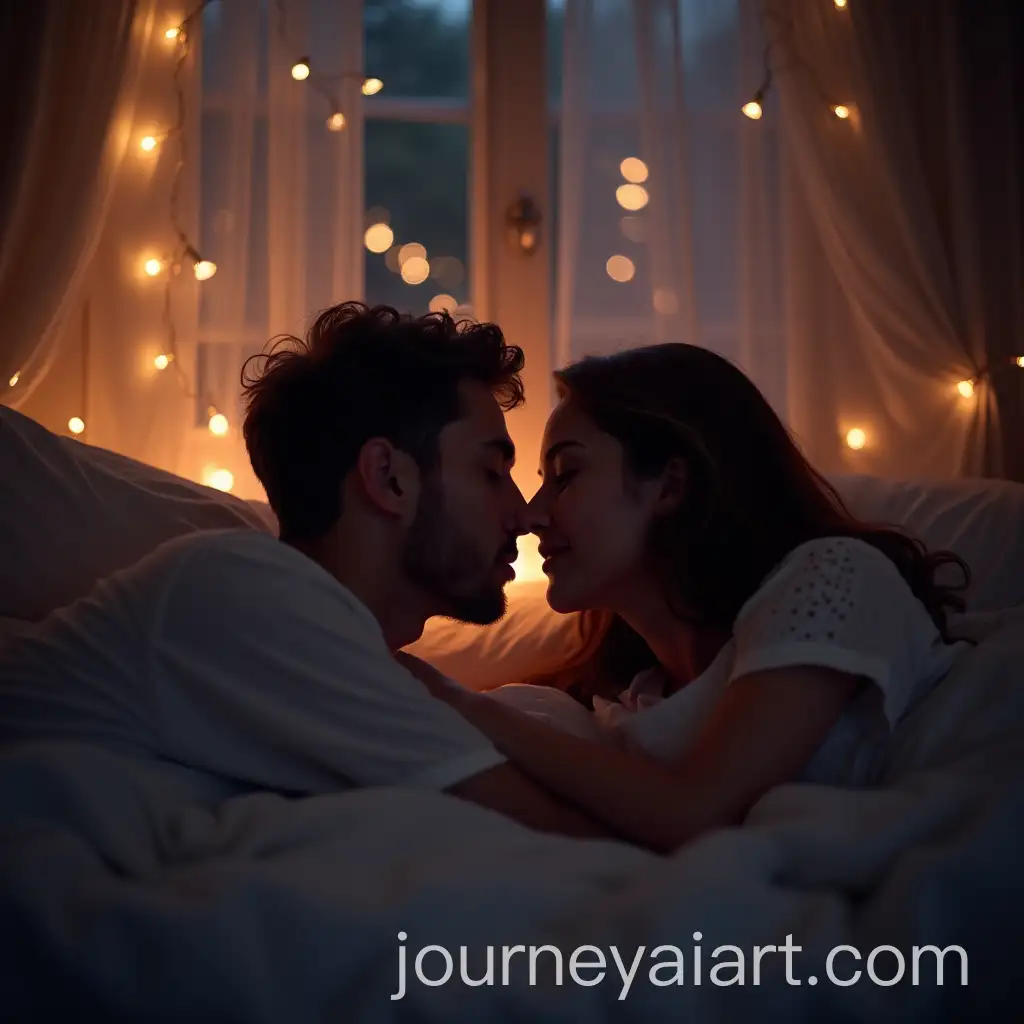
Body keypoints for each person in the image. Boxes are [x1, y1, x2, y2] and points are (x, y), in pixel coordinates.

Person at [0, 302, 612, 841]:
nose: (523, 514)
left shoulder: (322, 628)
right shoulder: (252, 591)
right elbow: (554, 833)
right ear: (388, 477)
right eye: (489, 472)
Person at [404, 343, 974, 855]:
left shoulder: (832, 574)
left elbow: (695, 810)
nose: (531, 514)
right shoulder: (637, 705)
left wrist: (451, 698)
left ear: (671, 487)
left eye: (566, 474)